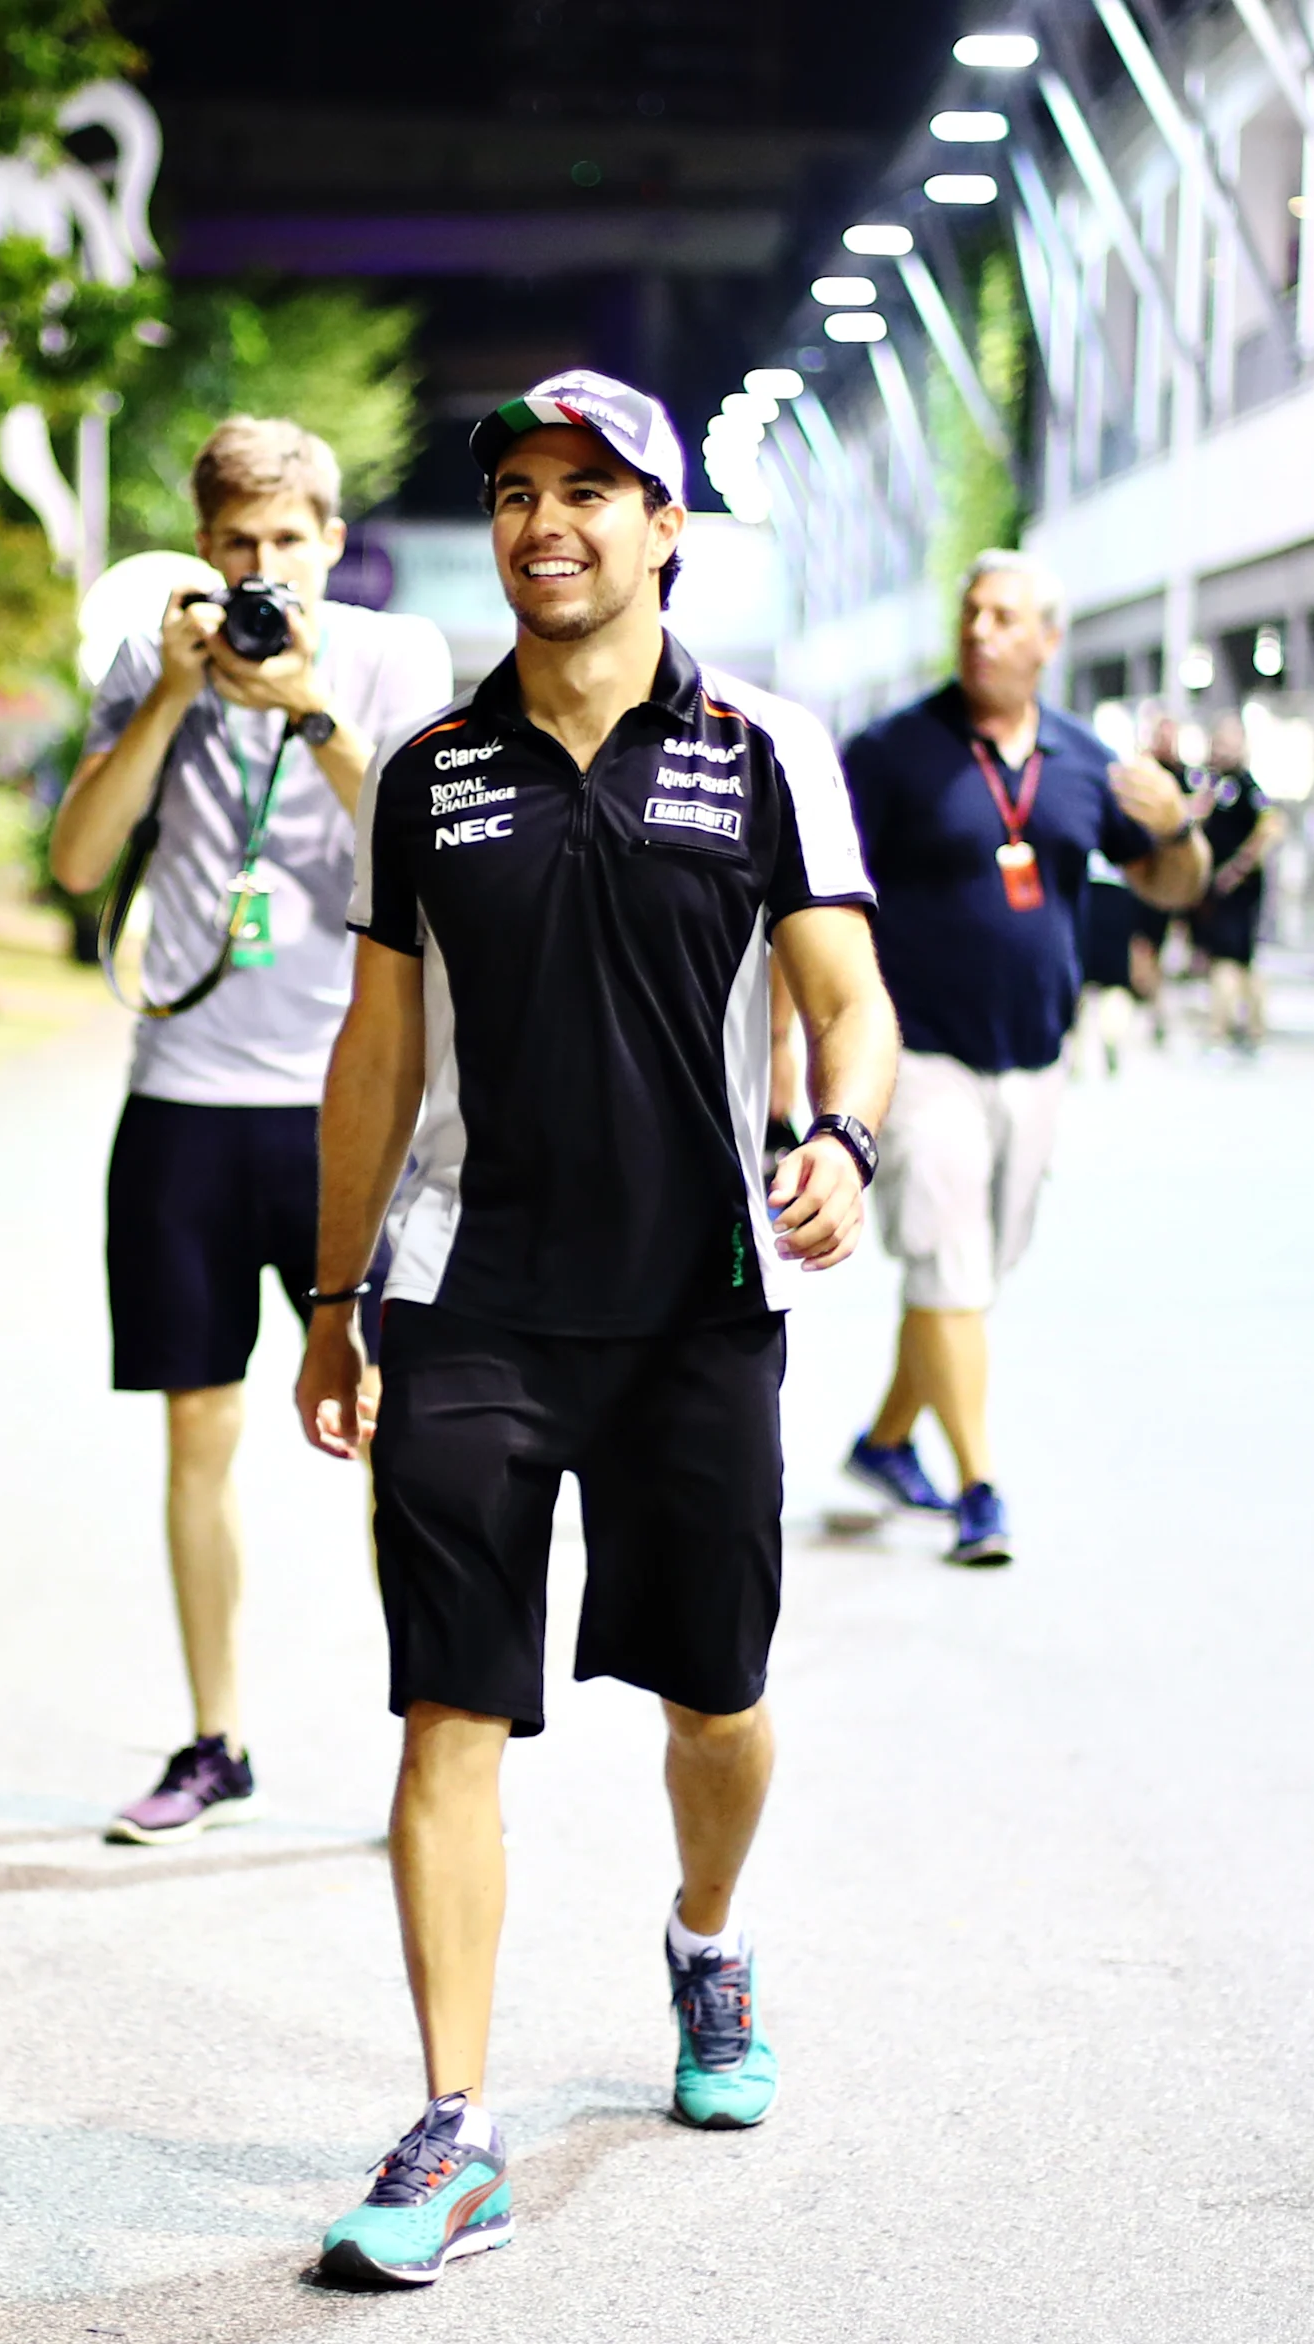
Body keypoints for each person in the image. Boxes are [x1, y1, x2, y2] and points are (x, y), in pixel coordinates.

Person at [291, 371, 895, 2287]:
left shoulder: (762, 746)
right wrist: (330, 1294)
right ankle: (455, 2121)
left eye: (592, 489)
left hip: (700, 1304)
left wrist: (845, 1137)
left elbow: (847, 991)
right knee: (445, 1709)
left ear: (665, 532)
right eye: (520, 490)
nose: (548, 520)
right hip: (469, 1299)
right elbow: (378, 1047)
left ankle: (707, 1940)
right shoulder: (431, 767)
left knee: (712, 1694)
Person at [42, 418, 451, 1845]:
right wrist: (166, 699)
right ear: (202, 550)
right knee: (196, 1434)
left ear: (332, 542)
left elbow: (426, 854)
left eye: (287, 542)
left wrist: (308, 709)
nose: (263, 569)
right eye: (238, 546)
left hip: (356, 1105)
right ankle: (215, 1739)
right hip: (188, 1100)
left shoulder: (397, 660)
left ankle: (432, 1748)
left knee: (399, 1433)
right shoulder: (151, 657)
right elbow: (81, 860)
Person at [837, 554, 1206, 1565]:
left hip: (1034, 1057)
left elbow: (1170, 883)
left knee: (972, 1273)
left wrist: (1177, 827)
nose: (981, 630)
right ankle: (980, 1489)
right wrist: (802, 1039)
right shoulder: (889, 752)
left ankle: (881, 1441)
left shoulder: (1090, 762)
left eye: (1005, 617)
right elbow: (813, 893)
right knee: (947, 1261)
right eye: (970, 612)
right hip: (919, 1053)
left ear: (1047, 639)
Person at [1188, 714, 1281, 1055]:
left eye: (1230, 742)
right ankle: (1246, 1029)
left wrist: (1237, 870)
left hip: (1238, 889)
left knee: (1232, 960)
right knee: (1229, 959)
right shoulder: (1209, 784)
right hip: (1213, 887)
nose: (1223, 748)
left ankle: (1225, 1030)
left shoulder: (1248, 788)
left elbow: (1268, 832)